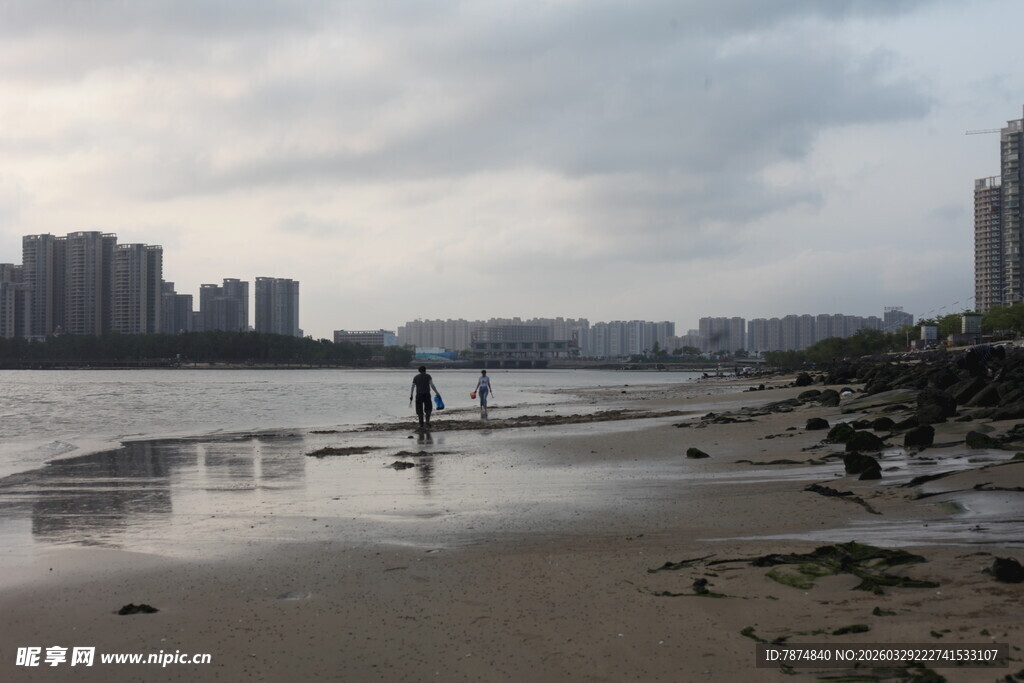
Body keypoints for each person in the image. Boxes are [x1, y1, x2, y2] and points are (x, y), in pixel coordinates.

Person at [410, 366, 441, 430]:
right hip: (427, 394)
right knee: (428, 408)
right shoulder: (428, 376)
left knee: (419, 409)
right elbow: (432, 385)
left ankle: (421, 424)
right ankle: (427, 421)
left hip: (419, 395)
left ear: (419, 371)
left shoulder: (416, 377)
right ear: (425, 370)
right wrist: (437, 392)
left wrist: (411, 395)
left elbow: (412, 386)